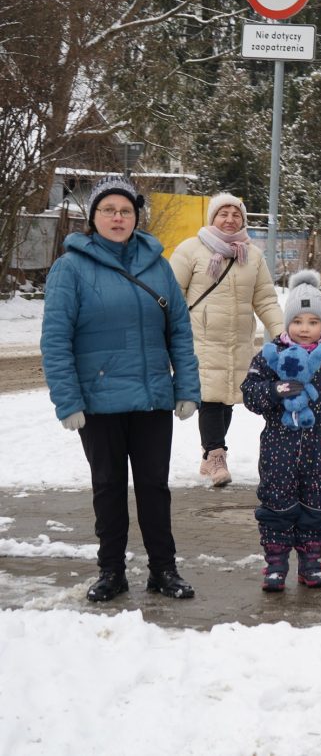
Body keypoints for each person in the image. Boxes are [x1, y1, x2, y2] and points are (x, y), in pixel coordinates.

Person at [41, 175, 201, 602]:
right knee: (108, 488)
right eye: (108, 210)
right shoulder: (70, 268)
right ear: (93, 217)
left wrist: (187, 387)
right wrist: (67, 401)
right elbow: (56, 340)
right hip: (99, 403)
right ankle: (111, 571)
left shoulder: (158, 266)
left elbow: (180, 332)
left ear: (136, 216)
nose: (118, 217)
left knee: (155, 488)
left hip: (151, 399)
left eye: (126, 210)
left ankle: (163, 570)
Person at [240, 271, 321, 591]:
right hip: (278, 447)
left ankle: (311, 562)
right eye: (297, 321)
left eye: (313, 322)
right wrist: (274, 390)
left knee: (317, 505)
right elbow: (250, 394)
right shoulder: (271, 355)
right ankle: (275, 563)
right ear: (288, 322)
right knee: (277, 503)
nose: (304, 328)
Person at [170, 192, 284, 487]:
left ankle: (210, 454)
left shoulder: (252, 255)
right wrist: (173, 332)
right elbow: (172, 295)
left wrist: (282, 332)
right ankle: (216, 454)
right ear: (213, 217)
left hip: (238, 340)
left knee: (228, 399)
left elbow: (265, 299)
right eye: (224, 213)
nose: (230, 219)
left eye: (236, 215)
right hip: (202, 338)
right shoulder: (191, 250)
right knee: (209, 398)